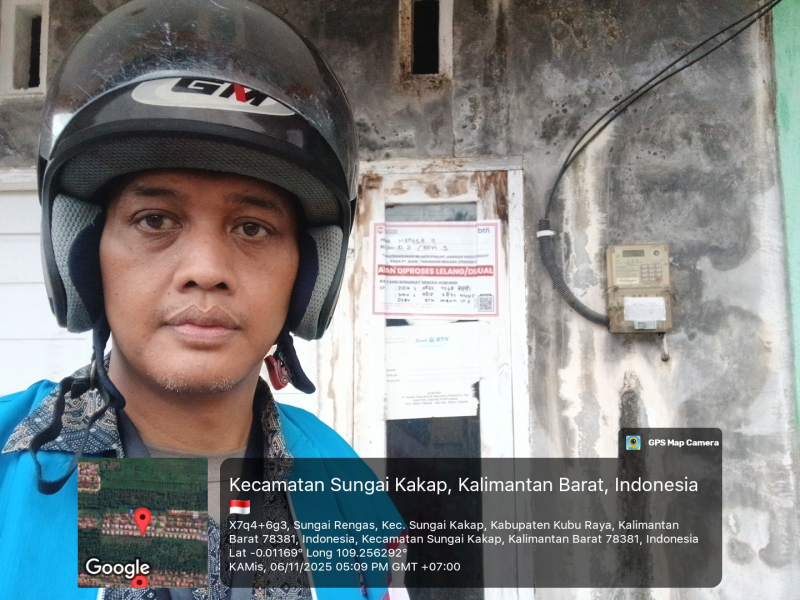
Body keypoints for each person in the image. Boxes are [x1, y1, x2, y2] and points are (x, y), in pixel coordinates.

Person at [0, 1, 408, 598]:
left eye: (252, 228)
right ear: (82, 256)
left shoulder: (351, 494)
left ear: (308, 275)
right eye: (155, 219)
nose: (206, 271)